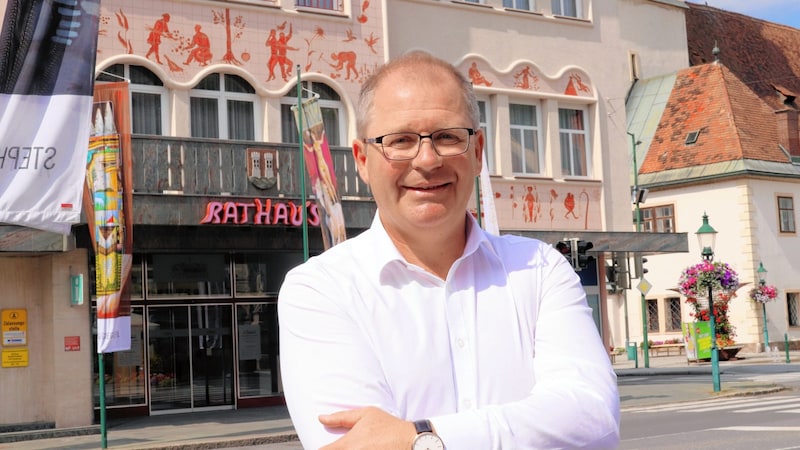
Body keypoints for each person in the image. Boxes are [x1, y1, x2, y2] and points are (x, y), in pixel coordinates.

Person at [278, 51, 620, 449]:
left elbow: (592, 420)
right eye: (400, 141)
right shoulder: (320, 290)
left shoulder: (540, 269)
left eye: (447, 137)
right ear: (362, 160)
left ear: (477, 153)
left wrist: (421, 437)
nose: (427, 159)